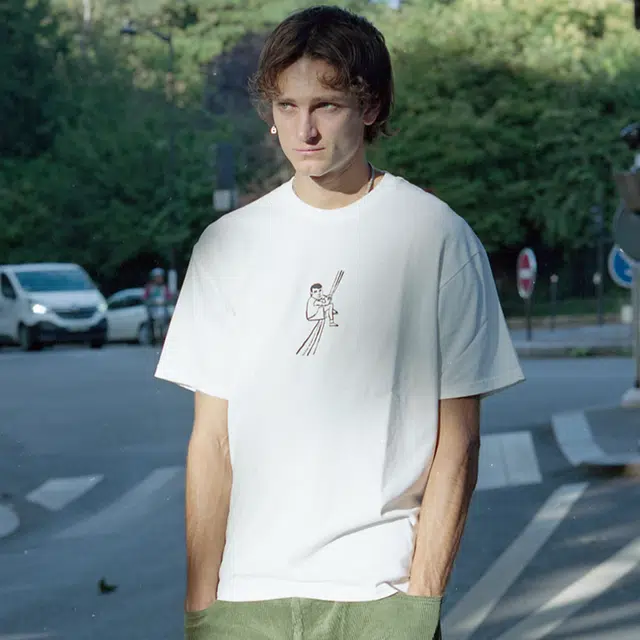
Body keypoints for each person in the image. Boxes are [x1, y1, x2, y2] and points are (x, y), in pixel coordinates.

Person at [155, 5, 525, 639]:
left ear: (370, 106)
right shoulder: (226, 245)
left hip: (380, 597)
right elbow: (212, 442)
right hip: (246, 600)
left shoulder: (436, 237)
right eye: (287, 106)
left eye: (326, 105)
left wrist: (418, 605)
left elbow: (459, 440)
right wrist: (201, 608)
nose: (304, 129)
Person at [143, 267, 171, 344]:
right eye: (157, 277)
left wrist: (166, 301)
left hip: (163, 310)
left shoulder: (165, 288)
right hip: (153, 311)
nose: (159, 279)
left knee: (166, 323)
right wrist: (150, 302)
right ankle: (153, 338)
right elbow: (145, 298)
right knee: (150, 323)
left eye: (160, 277)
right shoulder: (149, 288)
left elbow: (169, 297)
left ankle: (163, 339)